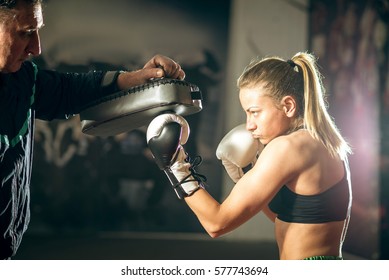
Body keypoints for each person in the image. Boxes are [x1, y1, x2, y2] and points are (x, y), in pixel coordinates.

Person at [0, 0, 185, 259]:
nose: (37, 48)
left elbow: (69, 90)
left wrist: (137, 78)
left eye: (38, 31)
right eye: (25, 33)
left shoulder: (21, 79)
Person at [146, 51, 353, 260]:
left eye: (255, 112)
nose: (249, 125)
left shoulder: (287, 147)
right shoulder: (325, 142)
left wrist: (174, 165)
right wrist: (248, 176)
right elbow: (290, 221)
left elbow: (216, 224)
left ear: (288, 106)